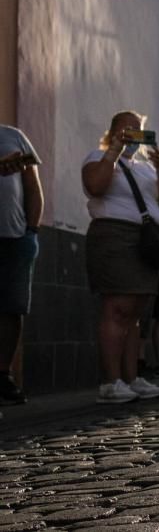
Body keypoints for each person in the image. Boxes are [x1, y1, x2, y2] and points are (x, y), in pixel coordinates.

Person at [81, 111, 159, 403]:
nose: (133, 134)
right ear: (112, 132)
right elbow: (96, 186)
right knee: (117, 308)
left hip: (145, 239)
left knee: (136, 312)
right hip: (114, 236)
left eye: (138, 129)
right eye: (126, 129)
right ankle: (110, 381)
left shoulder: (145, 167)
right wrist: (113, 153)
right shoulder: (98, 156)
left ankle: (131, 377)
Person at [0, 125, 42, 404]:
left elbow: (33, 187)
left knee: (12, 309)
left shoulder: (14, 136)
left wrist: (32, 230)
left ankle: (3, 375)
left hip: (14, 237)